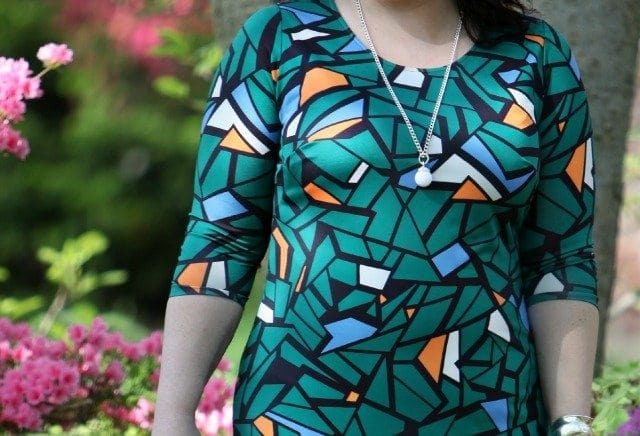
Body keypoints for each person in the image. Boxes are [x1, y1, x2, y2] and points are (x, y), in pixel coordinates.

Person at [152, 0, 600, 434]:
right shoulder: (278, 38)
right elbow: (220, 240)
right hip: (300, 411)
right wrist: (172, 417)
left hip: (491, 412)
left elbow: (561, 261)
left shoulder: (535, 53)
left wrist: (572, 423)